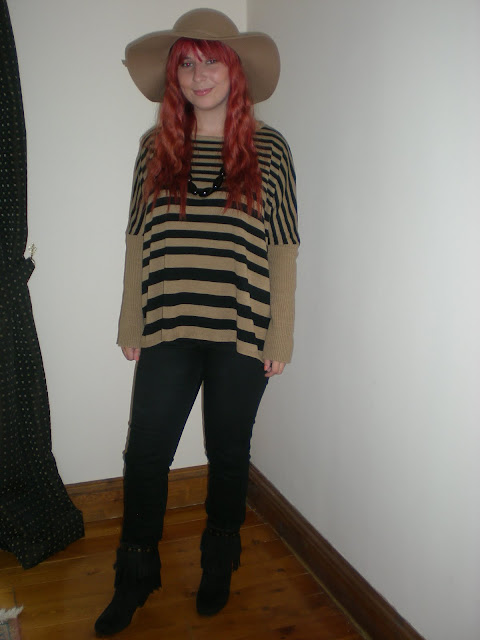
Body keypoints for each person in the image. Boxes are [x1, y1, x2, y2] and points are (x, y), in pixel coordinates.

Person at [94, 8, 299, 637]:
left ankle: (218, 563)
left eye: (212, 60)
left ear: (235, 71)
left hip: (242, 328)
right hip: (169, 326)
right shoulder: (154, 149)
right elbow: (138, 240)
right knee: (146, 452)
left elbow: (282, 247)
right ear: (174, 75)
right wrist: (131, 324)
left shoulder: (269, 150)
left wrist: (280, 335)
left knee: (228, 452)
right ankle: (135, 575)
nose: (199, 73)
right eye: (187, 61)